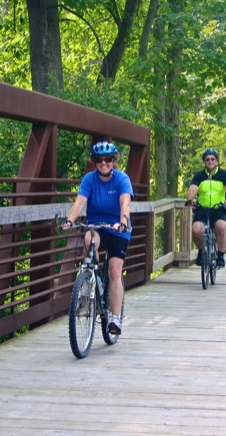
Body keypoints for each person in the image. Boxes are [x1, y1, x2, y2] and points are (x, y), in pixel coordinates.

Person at [61, 141, 133, 335]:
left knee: (115, 271)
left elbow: (125, 203)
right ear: (94, 162)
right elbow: (79, 202)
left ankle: (115, 318)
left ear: (114, 161)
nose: (104, 163)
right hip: (97, 226)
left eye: (108, 159)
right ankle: (90, 279)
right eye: (99, 160)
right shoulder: (89, 179)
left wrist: (123, 222)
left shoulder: (122, 179)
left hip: (118, 229)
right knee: (88, 239)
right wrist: (69, 220)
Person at [185, 148, 226, 268]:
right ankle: (201, 251)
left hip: (219, 209)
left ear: (217, 161)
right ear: (204, 161)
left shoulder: (224, 174)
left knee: (221, 227)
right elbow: (192, 188)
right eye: (207, 159)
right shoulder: (199, 175)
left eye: (213, 159)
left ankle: (220, 256)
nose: (210, 161)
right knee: (196, 230)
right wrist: (190, 200)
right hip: (202, 209)